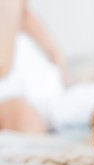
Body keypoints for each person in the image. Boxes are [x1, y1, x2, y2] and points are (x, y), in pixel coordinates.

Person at [0, 0, 67, 133]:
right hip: (22, 94)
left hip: (40, 90)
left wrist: (56, 55)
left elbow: (25, 15)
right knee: (21, 113)